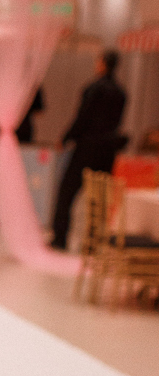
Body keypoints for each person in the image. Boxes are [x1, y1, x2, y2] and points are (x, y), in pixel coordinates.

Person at [50, 50, 127, 251]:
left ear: (102, 64)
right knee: (98, 197)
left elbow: (83, 117)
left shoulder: (94, 88)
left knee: (67, 192)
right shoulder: (121, 93)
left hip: (87, 147)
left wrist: (66, 138)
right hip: (107, 150)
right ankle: (93, 241)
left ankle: (60, 237)